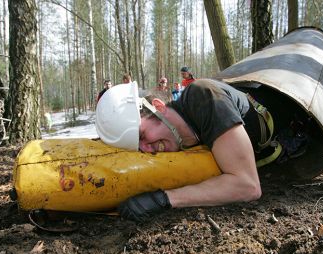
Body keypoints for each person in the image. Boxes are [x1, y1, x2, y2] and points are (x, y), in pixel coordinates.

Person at [96, 79, 279, 222]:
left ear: (159, 108)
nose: (145, 149)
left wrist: (164, 199)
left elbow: (248, 186)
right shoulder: (173, 140)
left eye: (142, 135)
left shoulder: (204, 96)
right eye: (137, 148)